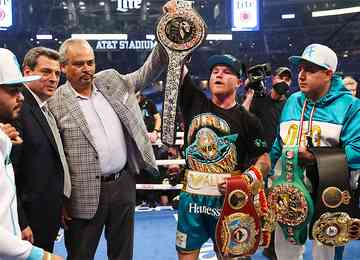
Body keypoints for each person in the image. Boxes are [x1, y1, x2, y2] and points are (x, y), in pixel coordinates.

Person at [47, 23, 167, 259]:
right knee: (81, 254)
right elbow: (53, 160)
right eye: (79, 64)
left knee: (123, 254)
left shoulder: (111, 81)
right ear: (63, 67)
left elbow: (148, 70)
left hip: (123, 184)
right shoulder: (55, 103)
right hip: (81, 195)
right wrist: (60, 200)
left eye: (90, 62)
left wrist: (166, 36)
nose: (86, 69)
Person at [270, 43, 360, 260]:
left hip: (331, 190)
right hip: (289, 187)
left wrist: (314, 158)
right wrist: (269, 179)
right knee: (285, 252)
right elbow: (278, 145)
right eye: (301, 69)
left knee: (327, 249)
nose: (301, 75)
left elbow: (356, 152)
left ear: (328, 74)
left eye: (310, 70)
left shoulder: (350, 105)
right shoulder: (292, 102)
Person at [0, 48, 63, 259]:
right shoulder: (17, 115)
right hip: (24, 228)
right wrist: (24, 225)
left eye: (57, 73)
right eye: (11, 90)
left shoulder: (44, 107)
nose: (20, 97)